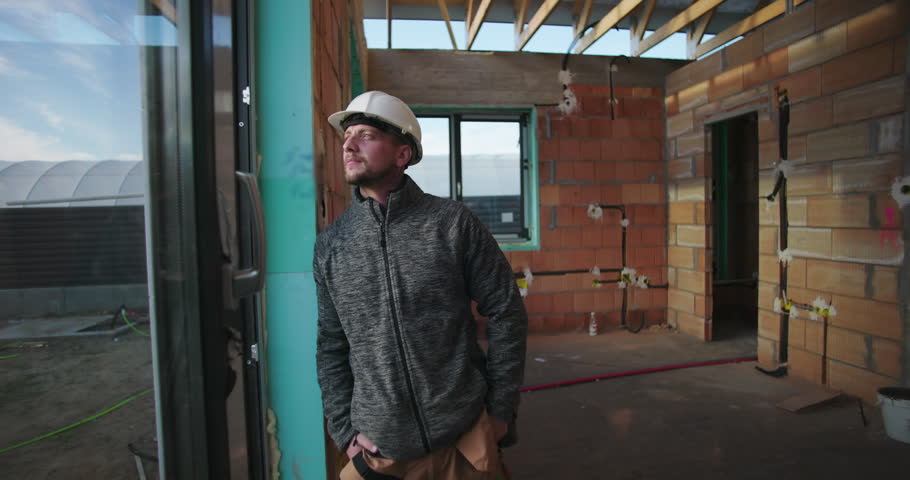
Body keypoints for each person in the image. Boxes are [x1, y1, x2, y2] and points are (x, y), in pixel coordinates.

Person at [314, 91, 528, 479]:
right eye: (347, 136)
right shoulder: (332, 245)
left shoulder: (451, 224)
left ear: (402, 154)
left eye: (365, 134)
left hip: (463, 443)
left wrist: (500, 411)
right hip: (381, 454)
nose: (348, 144)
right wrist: (343, 431)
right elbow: (331, 343)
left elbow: (506, 310)